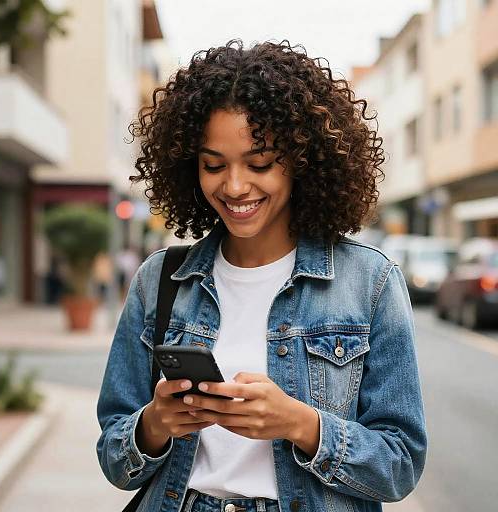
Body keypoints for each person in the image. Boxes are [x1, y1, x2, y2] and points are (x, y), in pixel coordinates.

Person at [96, 39, 427, 512]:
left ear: (302, 162)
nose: (233, 186)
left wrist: (301, 425)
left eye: (259, 163)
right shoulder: (159, 280)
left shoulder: (369, 282)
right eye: (213, 165)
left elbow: (400, 464)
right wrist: (155, 423)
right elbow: (114, 456)